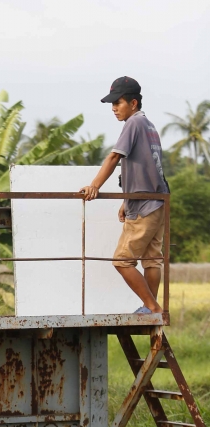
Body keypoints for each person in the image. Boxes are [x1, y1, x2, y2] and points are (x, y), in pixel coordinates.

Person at [80, 76, 169, 315]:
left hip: (144, 205)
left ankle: (152, 307)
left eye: (118, 103)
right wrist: (125, 200)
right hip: (158, 201)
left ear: (133, 103)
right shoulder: (149, 126)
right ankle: (150, 308)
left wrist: (94, 186)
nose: (113, 109)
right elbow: (147, 168)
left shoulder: (133, 123)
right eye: (112, 104)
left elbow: (114, 157)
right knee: (151, 259)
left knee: (122, 260)